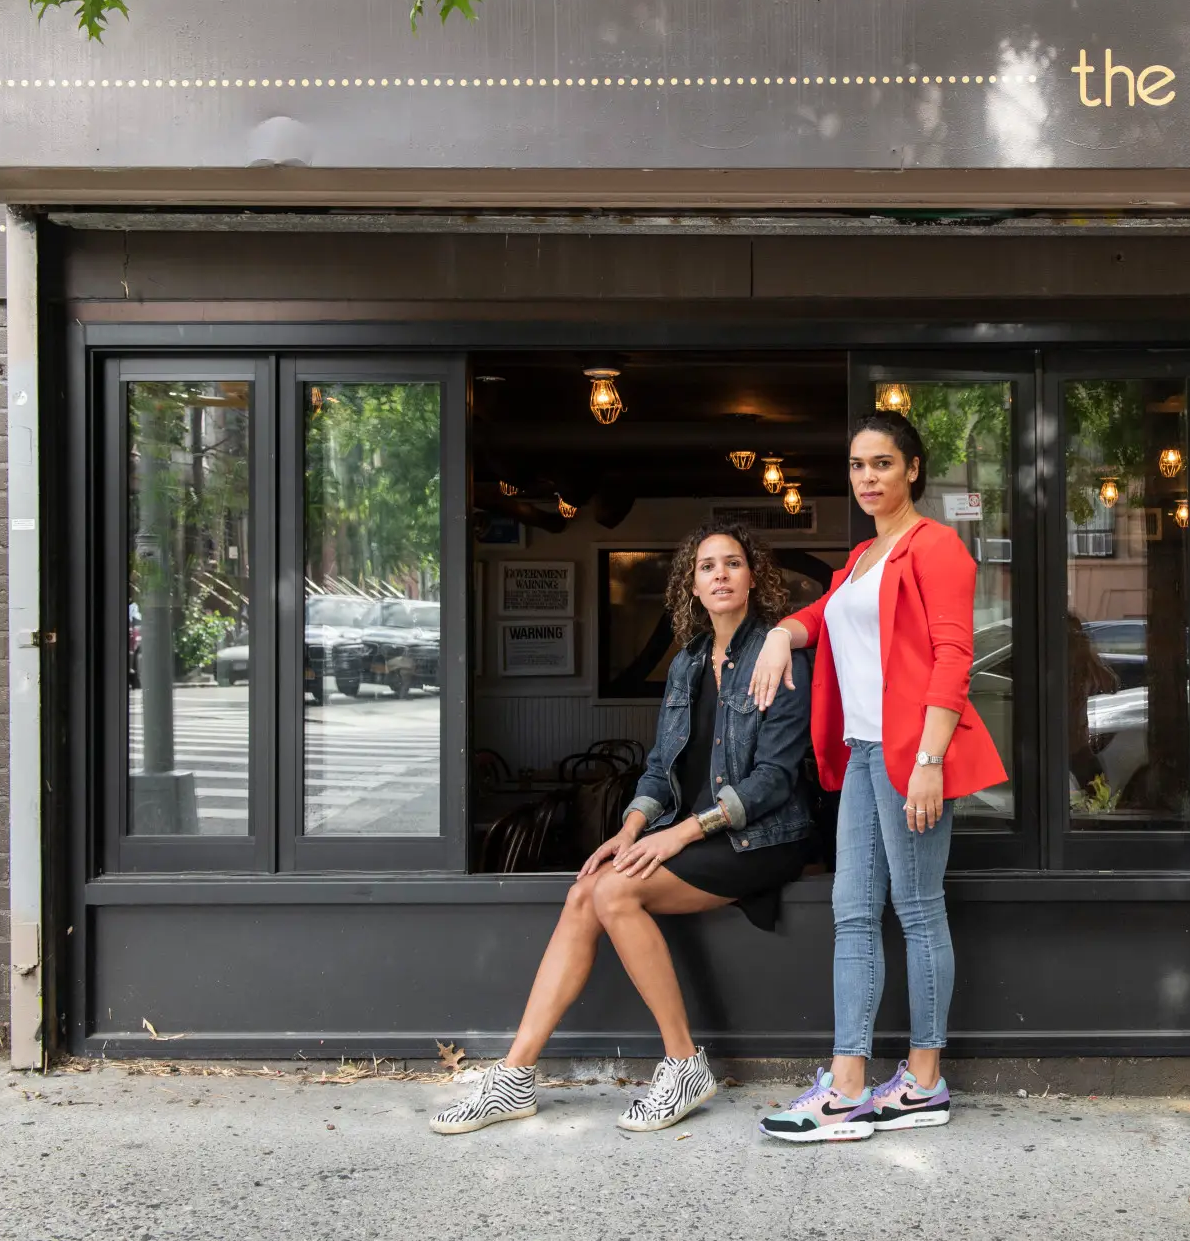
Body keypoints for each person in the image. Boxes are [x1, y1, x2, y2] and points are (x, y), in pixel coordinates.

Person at [431, 522, 815, 1135]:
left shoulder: (781, 653)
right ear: (690, 584)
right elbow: (661, 765)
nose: (720, 573)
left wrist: (680, 833)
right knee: (585, 889)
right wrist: (631, 828)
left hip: (760, 839)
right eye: (707, 565)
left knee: (612, 891)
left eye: (733, 563)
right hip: (691, 832)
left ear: (753, 576)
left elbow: (774, 780)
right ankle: (514, 1076)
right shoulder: (687, 663)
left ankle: (685, 1062)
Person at [747, 410, 1007, 1143]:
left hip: (909, 756)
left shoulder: (937, 547)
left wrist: (928, 762)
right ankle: (850, 1083)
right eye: (859, 464)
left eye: (883, 463)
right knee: (853, 912)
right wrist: (777, 632)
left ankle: (923, 1080)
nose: (868, 477)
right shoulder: (863, 556)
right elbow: (821, 614)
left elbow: (955, 659)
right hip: (864, 754)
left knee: (919, 909)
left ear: (913, 470)